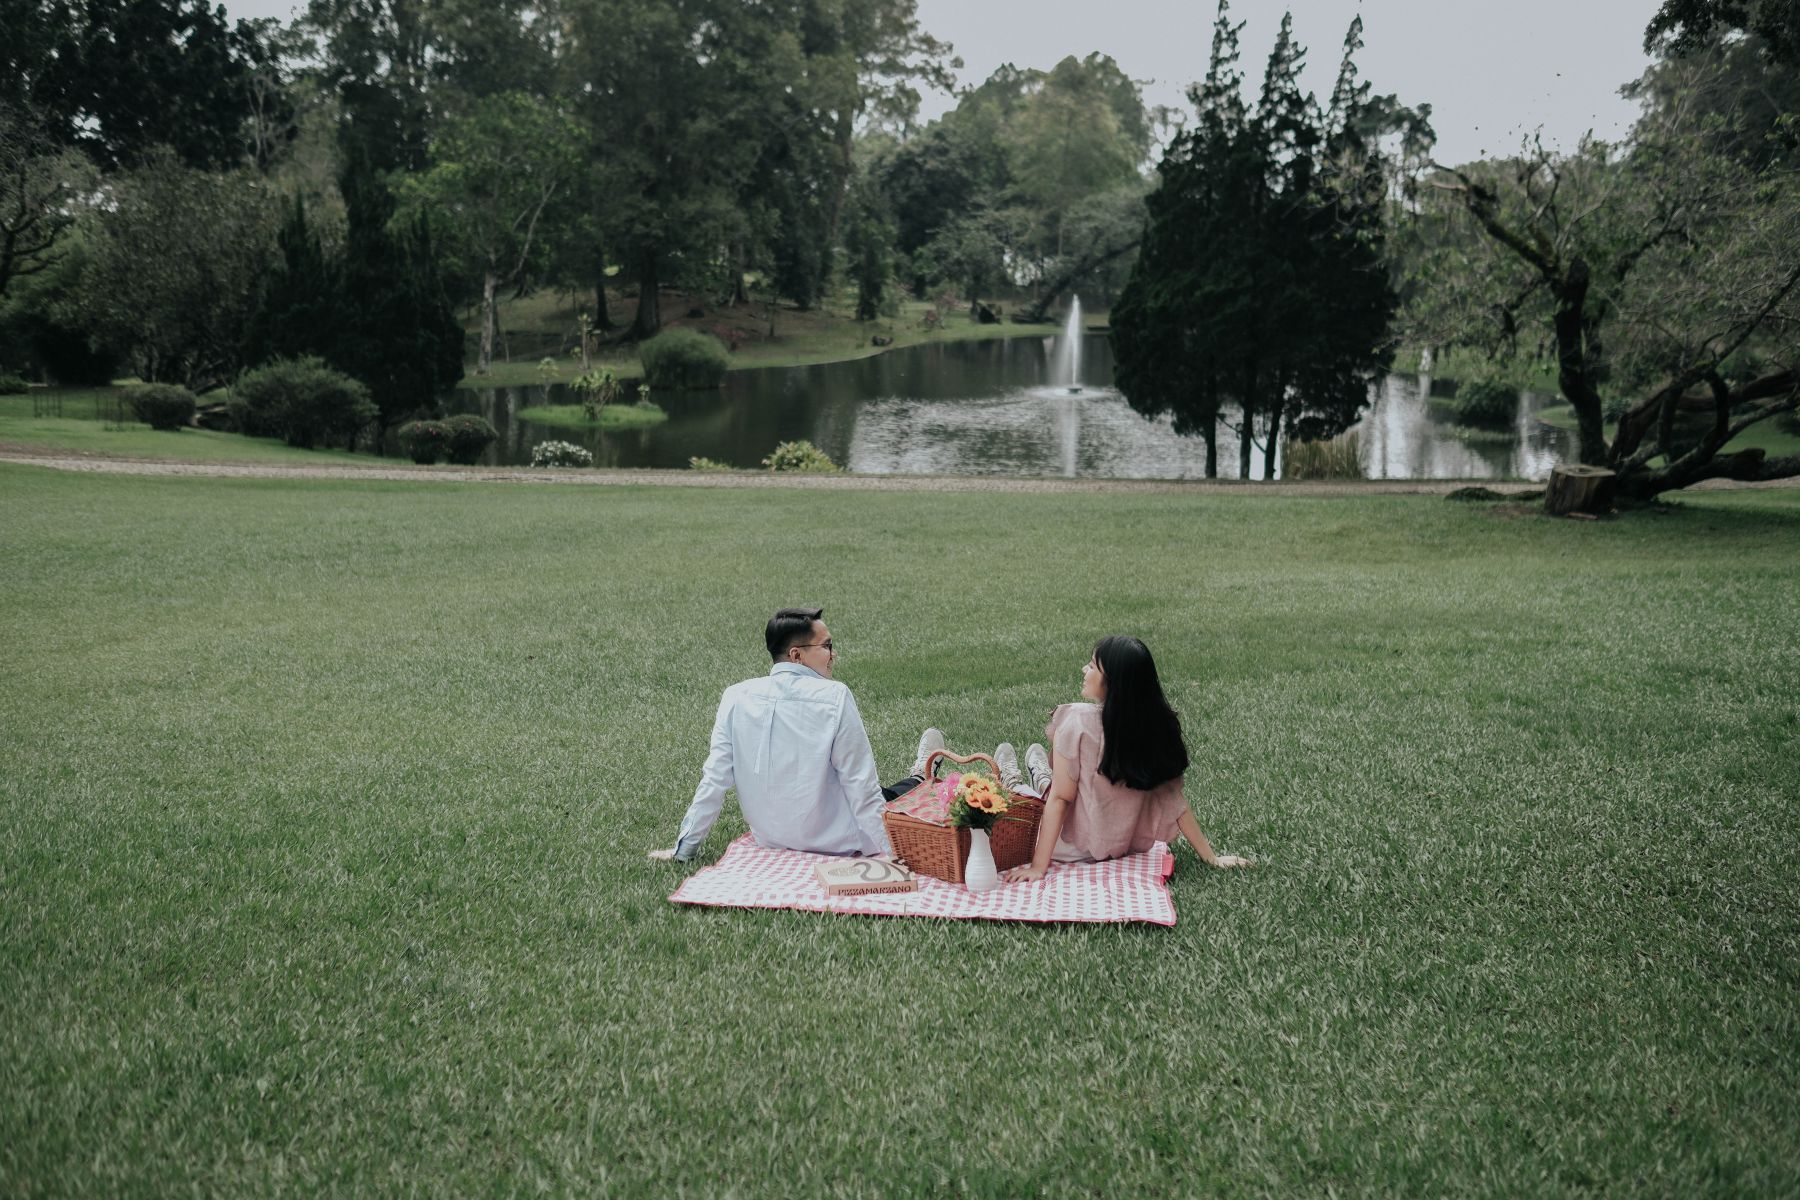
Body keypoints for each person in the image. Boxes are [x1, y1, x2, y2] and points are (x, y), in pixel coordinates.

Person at [648, 607, 938, 863]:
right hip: (840, 842)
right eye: (827, 646)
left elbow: (714, 780)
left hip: (772, 839)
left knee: (876, 795)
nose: (834, 654)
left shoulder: (735, 696)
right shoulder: (835, 696)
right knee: (894, 798)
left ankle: (920, 776)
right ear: (797, 655)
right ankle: (922, 777)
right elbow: (862, 788)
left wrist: (685, 849)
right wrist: (896, 857)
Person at [1001, 635, 1252, 882]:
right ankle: (1041, 775)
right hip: (1120, 846)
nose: (1084, 670)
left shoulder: (1076, 722)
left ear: (1112, 681)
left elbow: (1060, 799)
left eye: (1092, 666)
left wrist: (1038, 866)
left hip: (1070, 848)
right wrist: (1211, 857)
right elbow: (1176, 802)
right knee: (1058, 786)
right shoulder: (1154, 728)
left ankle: (1018, 780)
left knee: (1028, 800)